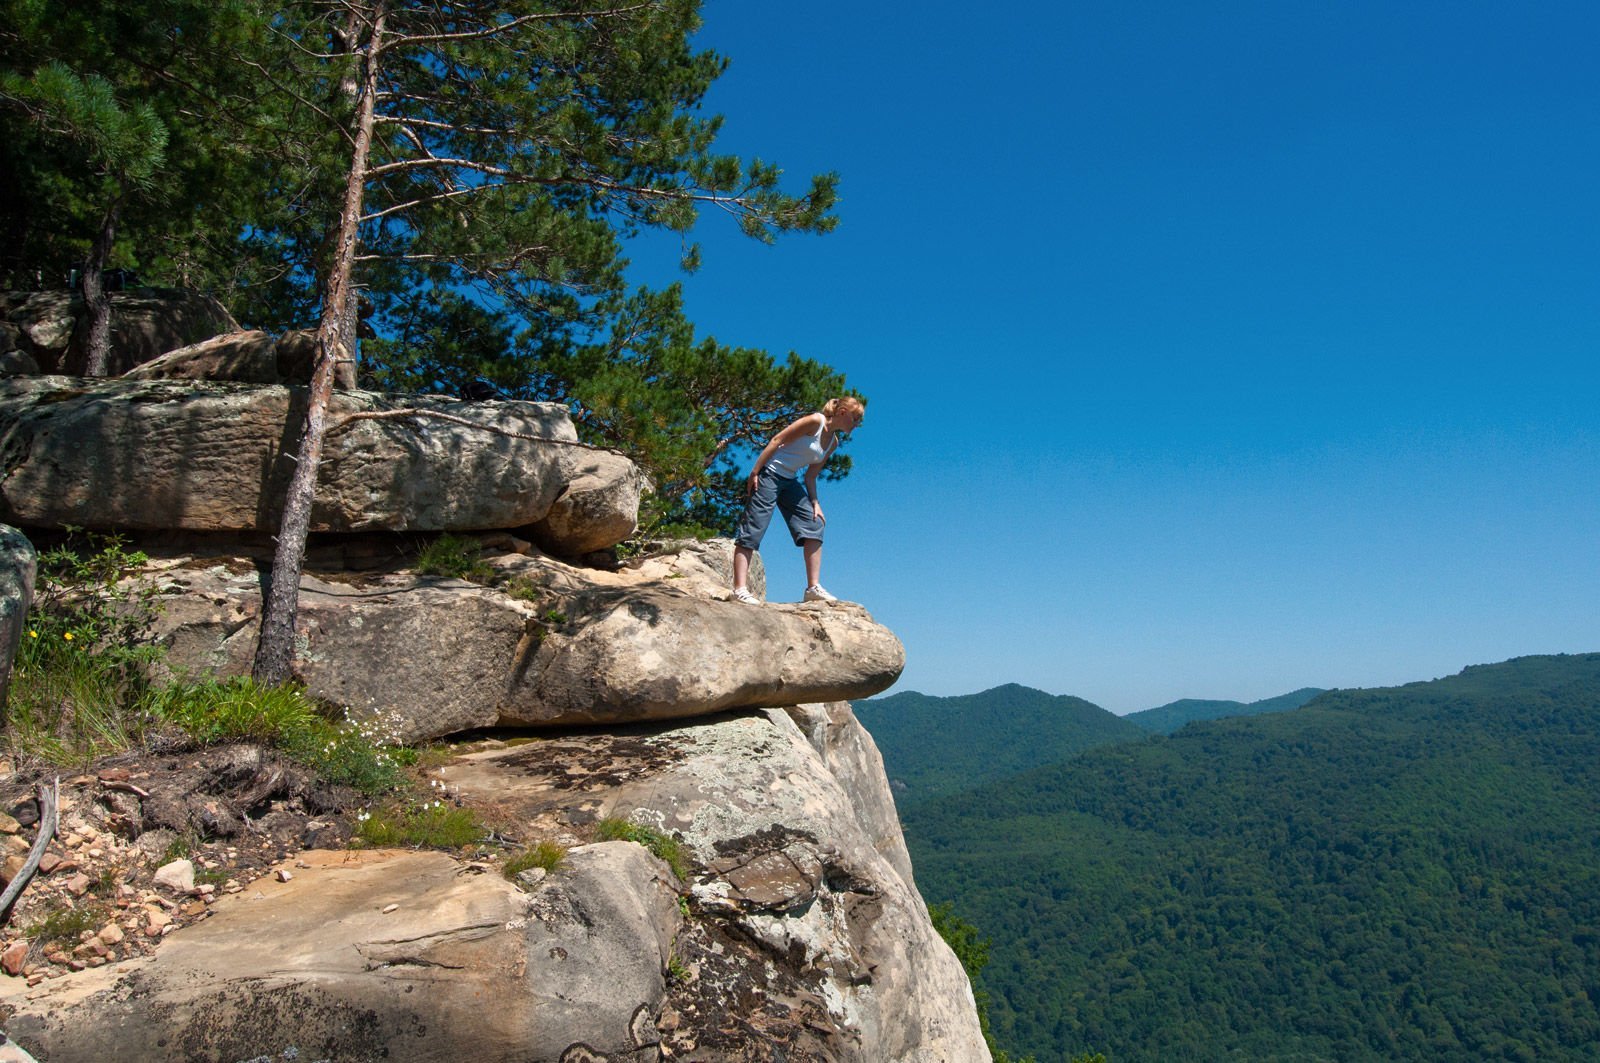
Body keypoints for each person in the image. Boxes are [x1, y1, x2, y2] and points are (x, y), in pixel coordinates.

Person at [731, 396, 865, 604]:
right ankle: (739, 589)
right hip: (770, 474)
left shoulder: (833, 443)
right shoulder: (815, 421)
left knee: (815, 523)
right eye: (855, 420)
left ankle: (813, 588)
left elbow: (810, 476)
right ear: (842, 413)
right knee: (754, 527)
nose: (856, 425)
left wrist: (815, 502)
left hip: (789, 480)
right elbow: (776, 440)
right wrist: (755, 472)